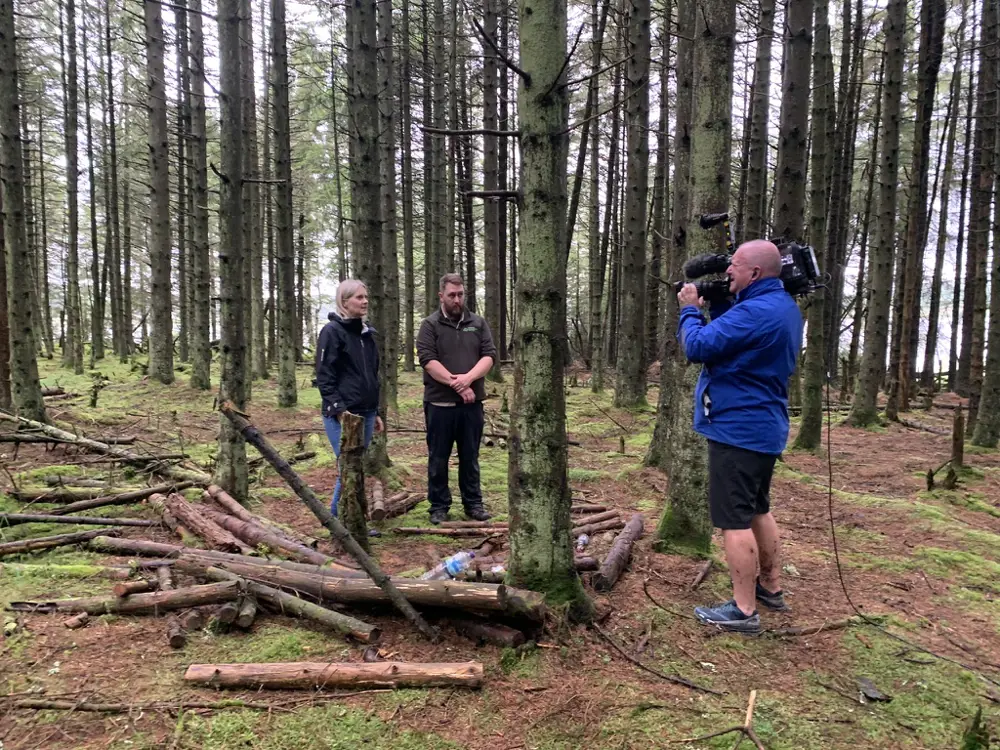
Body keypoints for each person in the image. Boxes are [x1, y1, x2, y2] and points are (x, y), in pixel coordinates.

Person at [676, 239, 803, 634]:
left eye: (735, 265)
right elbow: (736, 341)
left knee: (734, 520)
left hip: (738, 428)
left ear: (755, 272)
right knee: (758, 509)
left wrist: (689, 310)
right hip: (764, 426)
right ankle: (771, 586)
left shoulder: (755, 311)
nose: (728, 270)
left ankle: (744, 611)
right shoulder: (782, 306)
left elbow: (698, 346)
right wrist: (719, 306)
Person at [416, 273, 498, 525]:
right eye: (452, 295)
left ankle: (473, 504)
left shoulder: (477, 323)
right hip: (439, 404)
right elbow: (428, 360)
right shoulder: (430, 325)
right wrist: (458, 385)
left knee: (470, 456)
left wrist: (468, 379)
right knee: (438, 457)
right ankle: (439, 506)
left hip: (472, 405)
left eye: (460, 294)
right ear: (441, 296)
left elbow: (489, 356)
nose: (457, 300)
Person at [315, 279, 384, 516]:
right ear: (344, 302)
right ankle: (337, 521)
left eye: (366, 297)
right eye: (359, 297)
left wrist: (375, 411)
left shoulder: (366, 334)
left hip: (366, 411)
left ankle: (353, 521)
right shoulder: (332, 332)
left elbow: (372, 374)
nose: (365, 302)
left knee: (357, 467)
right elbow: (324, 375)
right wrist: (339, 409)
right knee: (348, 467)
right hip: (342, 414)